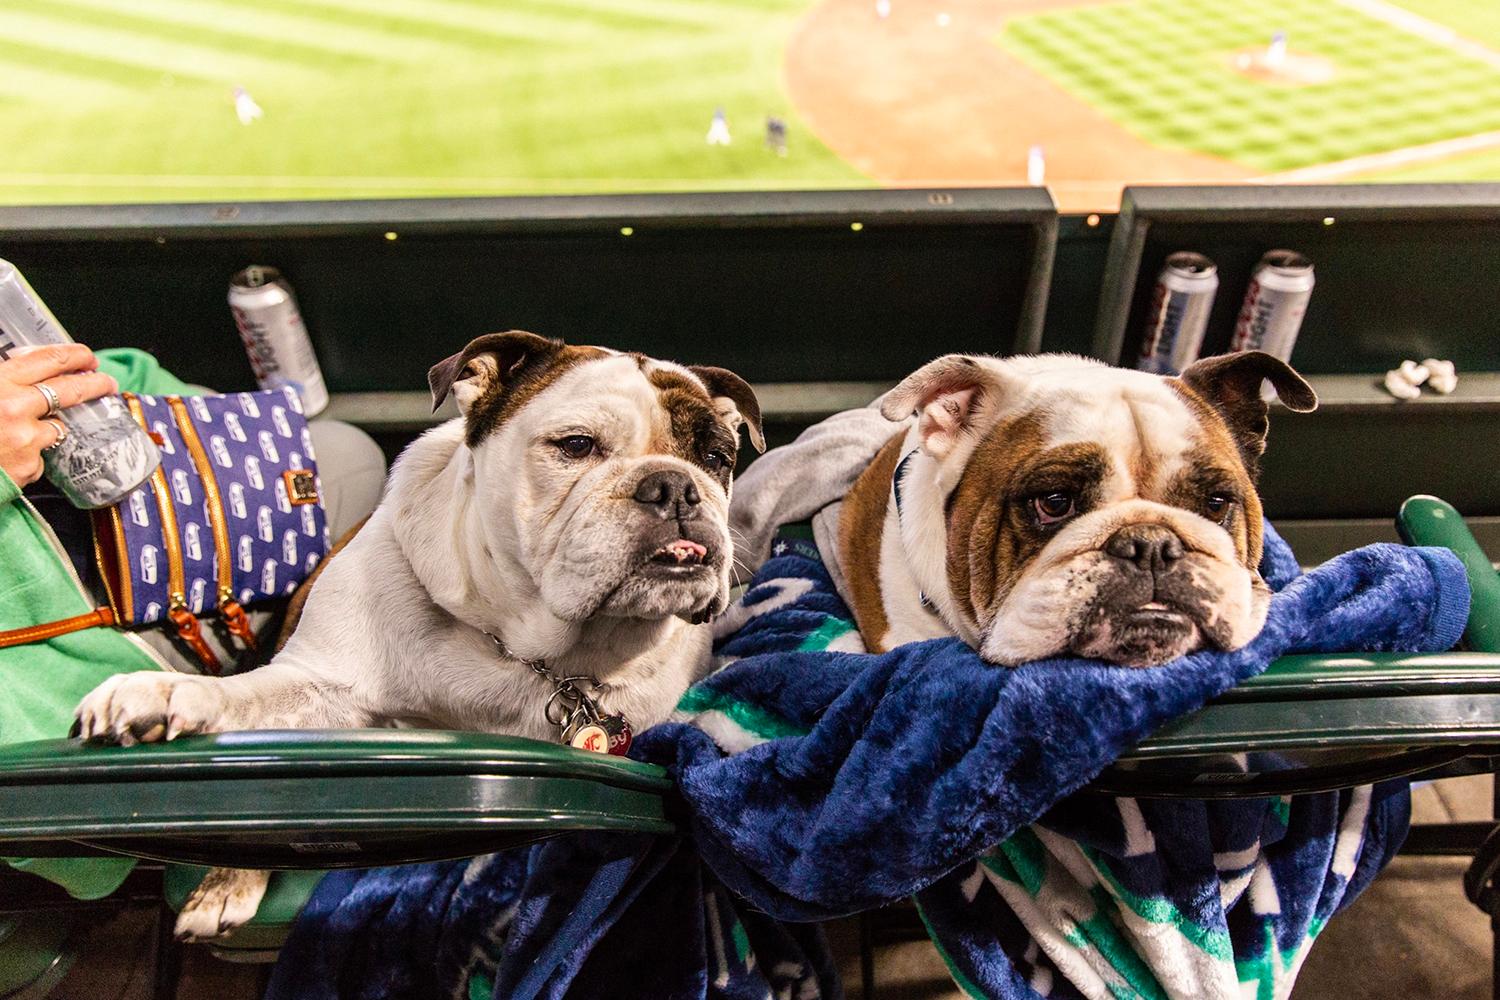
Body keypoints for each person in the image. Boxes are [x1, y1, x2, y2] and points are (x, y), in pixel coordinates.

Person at [0, 344, 384, 899]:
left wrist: (206, 431)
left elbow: (105, 369)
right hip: (62, 684)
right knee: (353, 462)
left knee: (343, 453)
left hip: (135, 497)